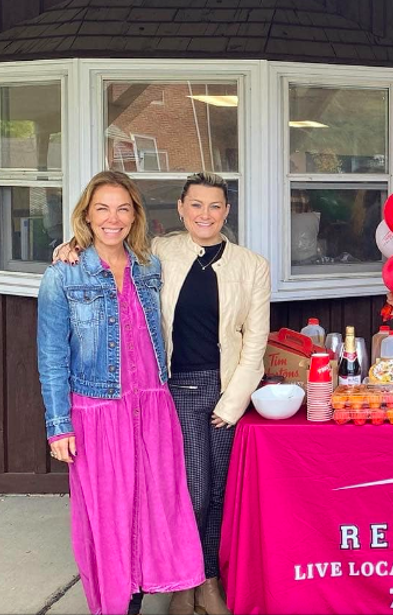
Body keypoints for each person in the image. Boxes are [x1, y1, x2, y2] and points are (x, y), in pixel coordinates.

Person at [57, 172, 271, 615]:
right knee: (189, 493)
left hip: (227, 390)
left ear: (226, 212)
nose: (205, 214)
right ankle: (183, 582)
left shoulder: (252, 265)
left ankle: (207, 582)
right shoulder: (157, 253)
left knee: (218, 492)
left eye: (214, 206)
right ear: (180, 208)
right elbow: (109, 245)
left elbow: (255, 341)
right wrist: (72, 245)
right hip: (175, 390)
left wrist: (234, 402)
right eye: (196, 205)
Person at [38, 171, 204, 615]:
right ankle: (116, 606)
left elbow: (197, 245)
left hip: (152, 407)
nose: (113, 219)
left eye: (122, 209)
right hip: (97, 411)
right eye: (102, 209)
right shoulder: (63, 274)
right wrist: (59, 427)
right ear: (87, 216)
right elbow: (51, 356)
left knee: (153, 512)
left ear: (135, 215)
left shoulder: (150, 266)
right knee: (108, 519)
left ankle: (137, 597)